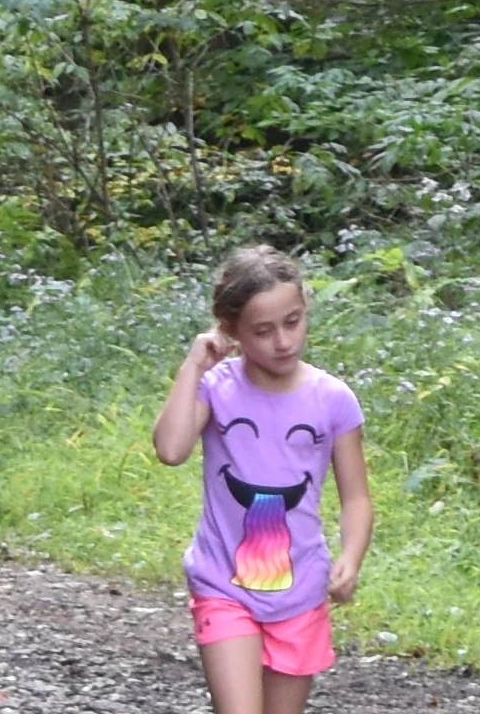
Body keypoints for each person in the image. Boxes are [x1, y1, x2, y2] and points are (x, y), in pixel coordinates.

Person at [154, 245, 373, 714]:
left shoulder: (333, 399)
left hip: (301, 591)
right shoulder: (216, 388)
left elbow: (356, 497)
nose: (283, 342)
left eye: (292, 322)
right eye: (263, 330)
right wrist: (194, 364)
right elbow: (171, 450)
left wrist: (351, 559)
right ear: (230, 331)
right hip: (223, 586)